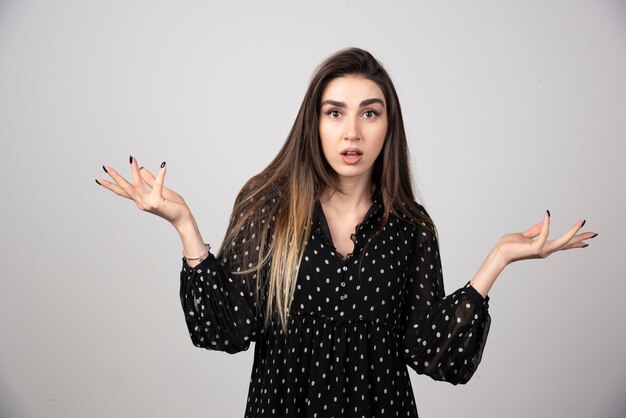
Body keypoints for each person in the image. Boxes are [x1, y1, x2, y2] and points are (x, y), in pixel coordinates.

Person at [95, 47, 596, 417]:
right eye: (335, 112)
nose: (352, 132)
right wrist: (185, 226)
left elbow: (430, 353)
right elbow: (226, 330)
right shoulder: (267, 206)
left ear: (387, 125)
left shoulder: (411, 227)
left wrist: (497, 260)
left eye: (369, 113)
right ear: (314, 122)